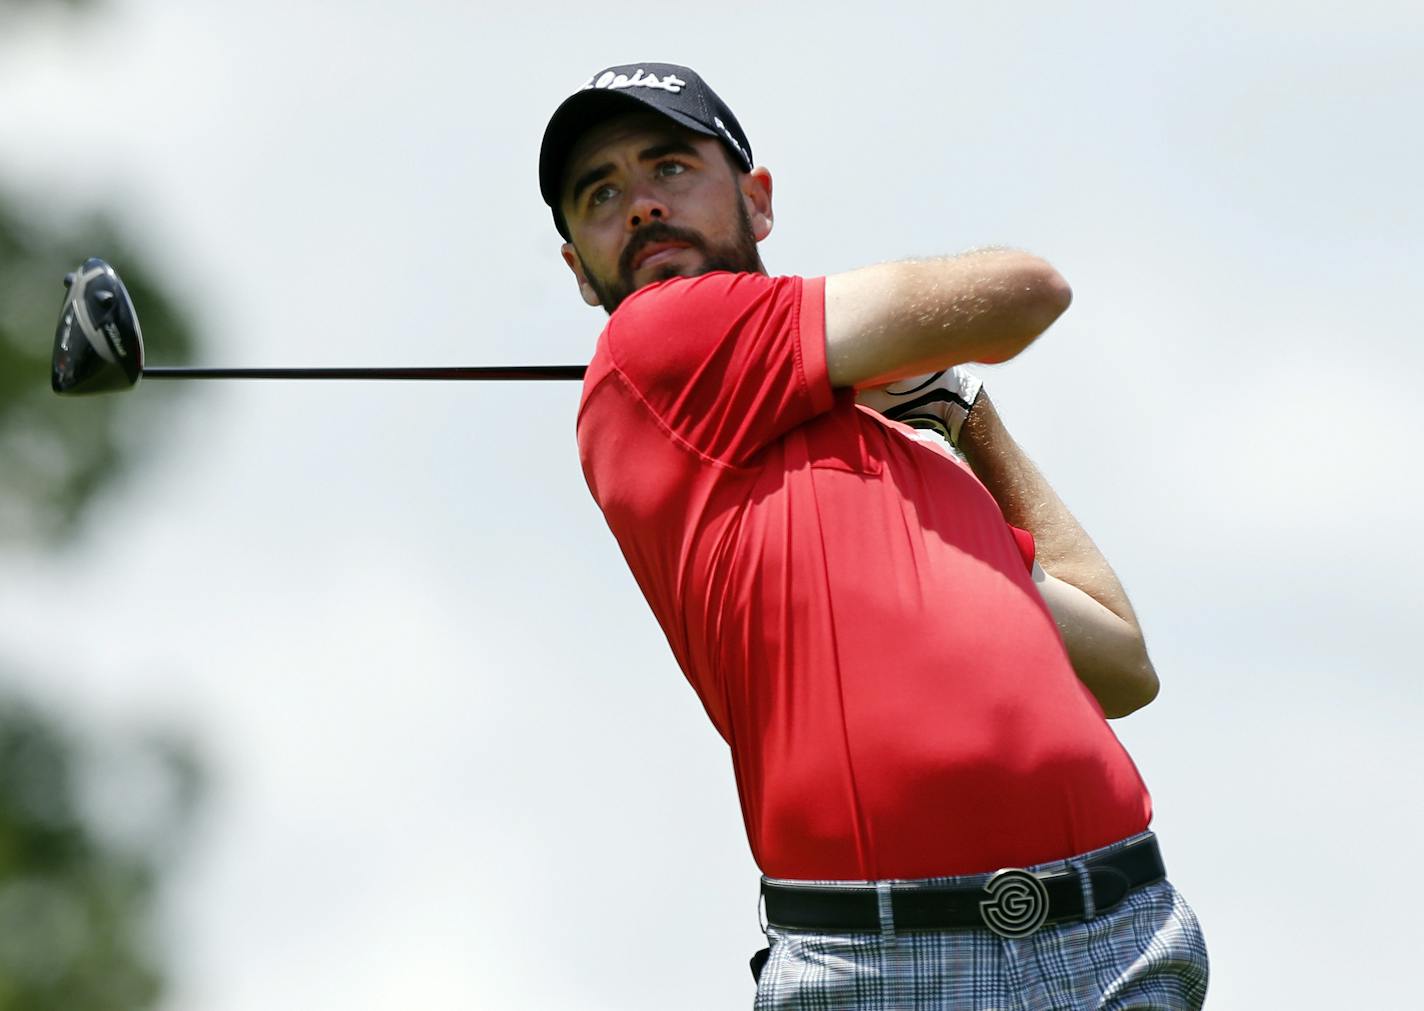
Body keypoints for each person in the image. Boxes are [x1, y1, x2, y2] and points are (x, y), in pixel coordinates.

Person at [539, 62, 1208, 1010]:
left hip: (1120, 933)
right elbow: (1026, 291)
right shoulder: (650, 344)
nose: (641, 206)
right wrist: (919, 353)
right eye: (600, 194)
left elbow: (1119, 663)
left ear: (756, 201)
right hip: (888, 969)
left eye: (670, 168)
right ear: (578, 267)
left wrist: (963, 415)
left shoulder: (905, 456)